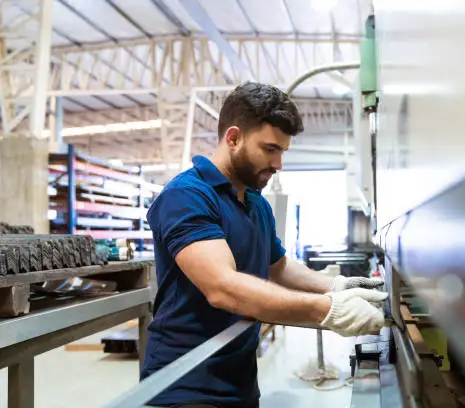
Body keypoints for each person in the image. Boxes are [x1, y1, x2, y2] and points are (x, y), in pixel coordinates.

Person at [141, 82, 387, 408]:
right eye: (270, 149)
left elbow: (279, 267)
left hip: (239, 378)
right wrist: (328, 309)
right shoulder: (187, 196)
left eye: (283, 151)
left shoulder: (257, 203)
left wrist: (338, 286)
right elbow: (223, 288)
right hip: (184, 383)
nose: (278, 164)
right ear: (233, 138)